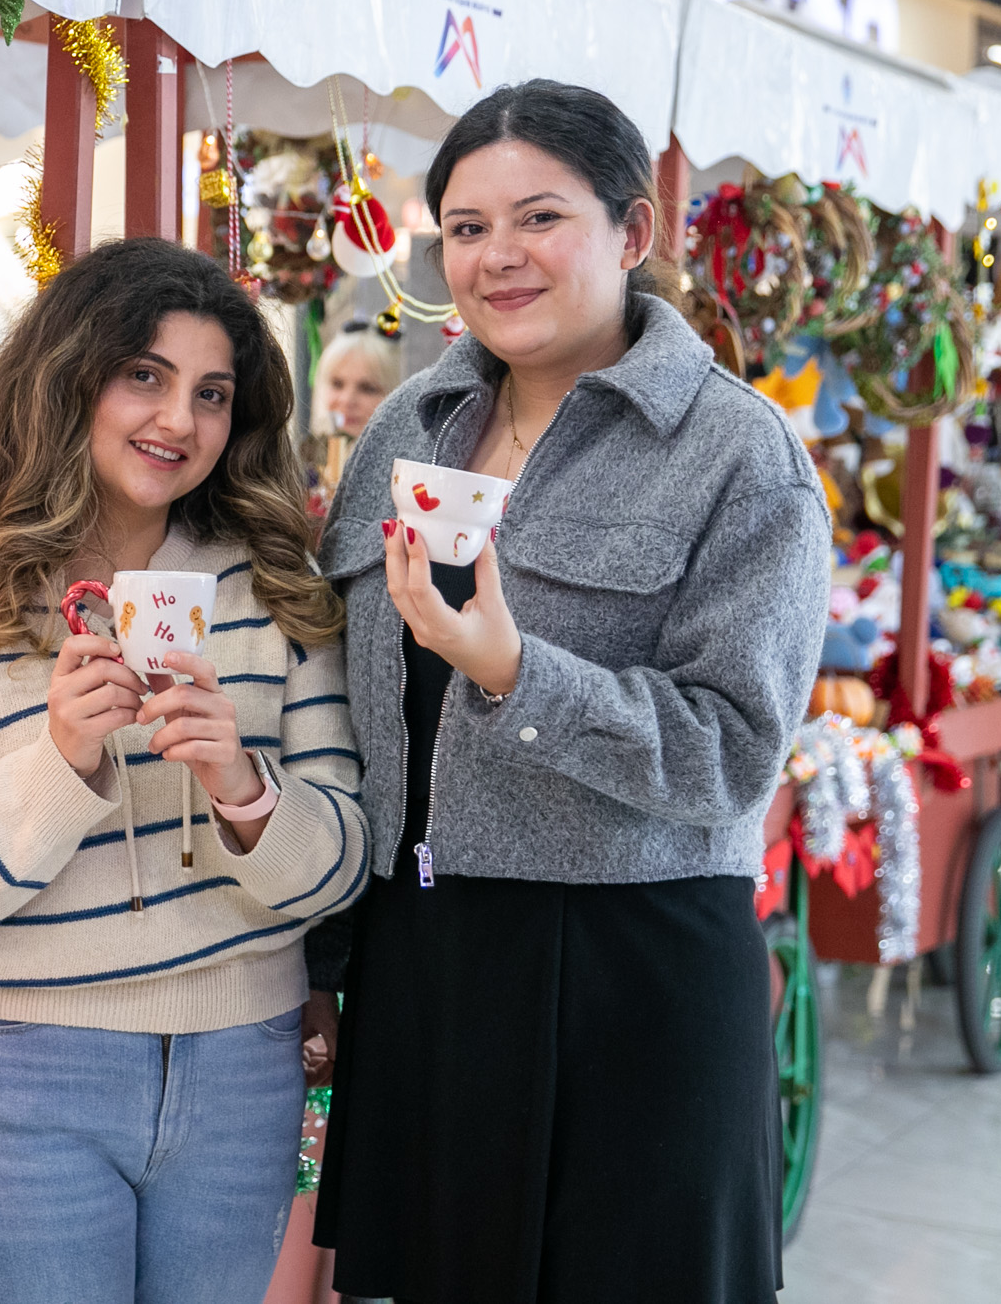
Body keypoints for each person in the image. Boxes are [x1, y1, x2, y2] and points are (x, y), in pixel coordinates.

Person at [311, 80, 830, 1303]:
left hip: (630, 966)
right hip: (429, 962)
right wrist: (333, 954)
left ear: (632, 232)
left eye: (538, 217)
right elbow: (349, 701)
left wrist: (514, 669)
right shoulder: (409, 426)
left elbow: (732, 753)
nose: (497, 258)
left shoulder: (738, 453)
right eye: (467, 226)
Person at [0, 237, 369, 1304]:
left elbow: (341, 862)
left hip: (240, 1062)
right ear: (70, 374)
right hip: (21, 1064)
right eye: (146, 375)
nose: (179, 419)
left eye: (212, 392)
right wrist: (62, 762)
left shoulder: (272, 587)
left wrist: (244, 789)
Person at [299, 324, 401, 524]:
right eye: (337, 384)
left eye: (367, 388)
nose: (347, 400)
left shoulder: (403, 473)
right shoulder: (302, 460)